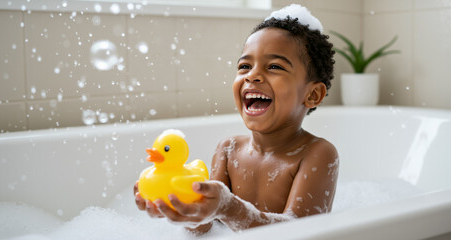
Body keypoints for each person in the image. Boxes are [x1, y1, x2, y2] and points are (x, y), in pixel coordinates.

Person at [134, 4, 338, 234]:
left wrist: (229, 208)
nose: (252, 75)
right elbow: (206, 227)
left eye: (274, 66)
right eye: (244, 66)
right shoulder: (228, 149)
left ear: (312, 95)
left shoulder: (317, 153)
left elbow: (302, 232)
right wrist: (184, 210)